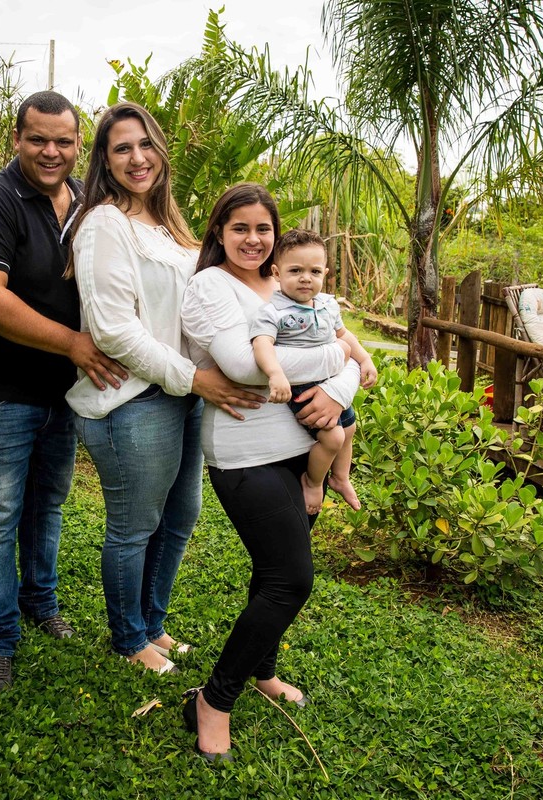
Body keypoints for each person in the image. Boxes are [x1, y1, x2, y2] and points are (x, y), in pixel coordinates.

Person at [66, 103, 262, 674]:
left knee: (179, 518)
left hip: (182, 396)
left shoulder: (173, 228)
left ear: (161, 152)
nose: (137, 157)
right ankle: (128, 638)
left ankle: (152, 623)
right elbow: (112, 327)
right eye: (121, 147)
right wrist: (196, 377)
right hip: (134, 399)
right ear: (104, 158)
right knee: (134, 526)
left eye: (145, 144)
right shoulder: (104, 222)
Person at [0, 91, 127, 692]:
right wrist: (74, 345)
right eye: (38, 139)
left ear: (80, 146)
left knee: (47, 506)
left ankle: (39, 604)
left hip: (59, 395)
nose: (52, 151)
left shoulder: (87, 204)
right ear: (16, 139)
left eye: (64, 141)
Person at [179, 183, 360, 762]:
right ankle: (213, 699)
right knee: (291, 579)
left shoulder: (290, 286)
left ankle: (263, 671)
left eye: (263, 229)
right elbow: (240, 363)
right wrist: (343, 360)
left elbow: (342, 349)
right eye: (240, 228)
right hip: (244, 454)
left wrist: (338, 386)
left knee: (272, 571)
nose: (253, 239)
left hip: (302, 449)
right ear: (219, 234)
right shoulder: (212, 286)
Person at [251, 228, 378, 515]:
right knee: (332, 438)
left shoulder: (327, 304)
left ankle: (341, 477)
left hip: (330, 380)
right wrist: (275, 374)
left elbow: (344, 335)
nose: (306, 278)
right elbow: (262, 344)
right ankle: (313, 480)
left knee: (350, 428)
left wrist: (365, 359)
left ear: (325, 273)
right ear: (276, 272)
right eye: (295, 270)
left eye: (314, 271)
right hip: (301, 386)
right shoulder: (274, 311)